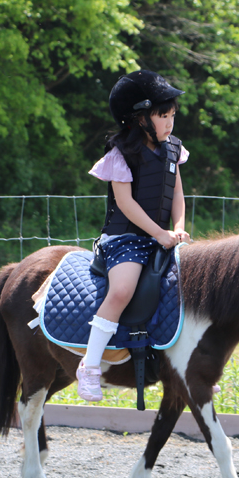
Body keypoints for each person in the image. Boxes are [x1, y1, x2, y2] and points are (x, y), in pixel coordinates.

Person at [76, 70, 191, 402]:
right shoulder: (119, 155)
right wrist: (158, 233)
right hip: (126, 238)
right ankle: (90, 365)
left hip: (165, 235)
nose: (169, 123)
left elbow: (177, 194)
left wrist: (179, 226)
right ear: (139, 118)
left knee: (195, 286)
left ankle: (190, 365)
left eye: (171, 116)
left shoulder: (173, 149)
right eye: (162, 116)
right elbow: (125, 204)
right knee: (122, 290)